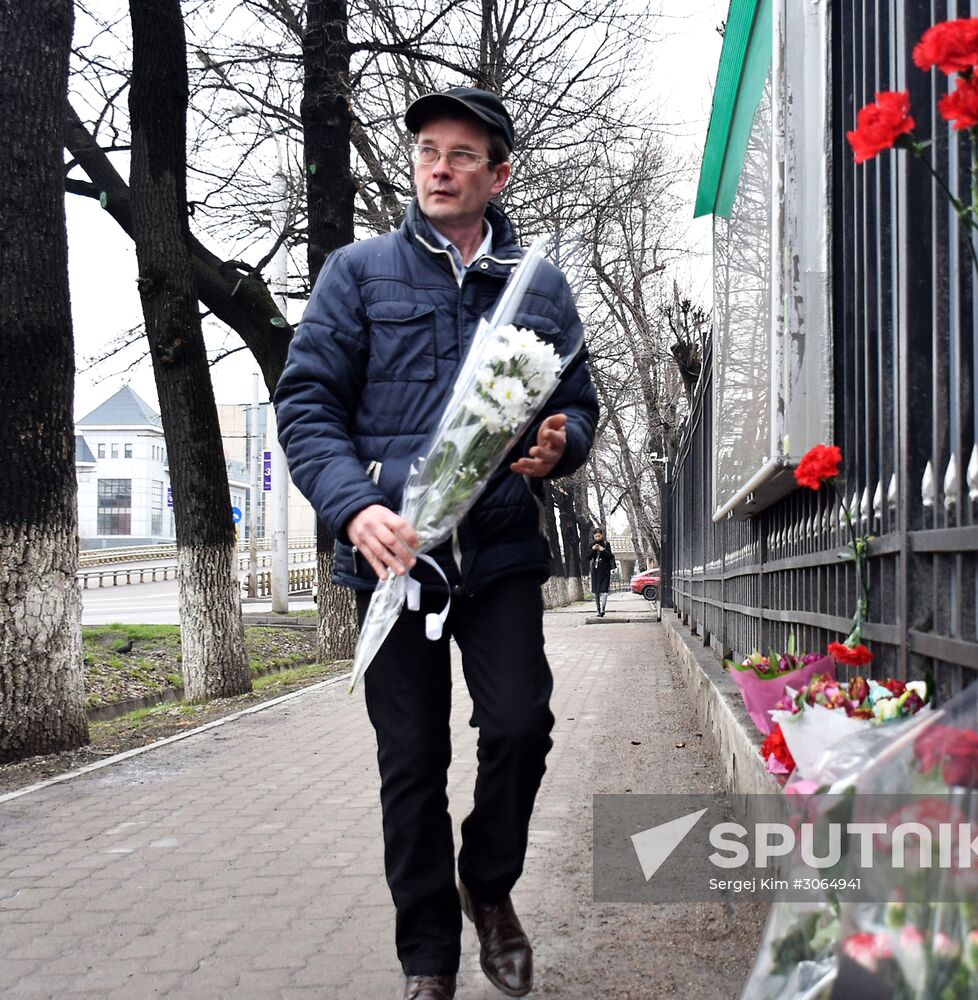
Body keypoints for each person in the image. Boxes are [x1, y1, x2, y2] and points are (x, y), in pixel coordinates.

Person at [274, 87, 598, 1000]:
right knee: (411, 763)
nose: (440, 167)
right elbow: (306, 406)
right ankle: (427, 959)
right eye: (427, 150)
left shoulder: (537, 283)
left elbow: (579, 402)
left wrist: (556, 443)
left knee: (520, 725)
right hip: (393, 562)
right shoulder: (359, 272)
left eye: (462, 155)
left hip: (496, 550)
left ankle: (486, 887)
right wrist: (352, 507)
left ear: (498, 174)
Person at [588, 528, 615, 617]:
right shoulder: (591, 544)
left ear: (602, 535)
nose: (598, 538)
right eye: (596, 536)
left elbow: (610, 556)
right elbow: (588, 557)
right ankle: (598, 610)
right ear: (593, 536)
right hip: (595, 570)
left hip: (605, 570)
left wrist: (603, 550)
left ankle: (603, 609)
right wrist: (593, 549)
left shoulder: (606, 544)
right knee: (596, 591)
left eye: (599, 536)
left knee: (604, 590)